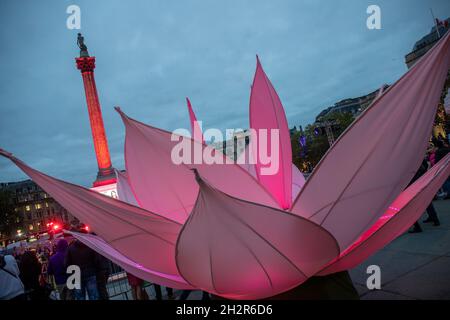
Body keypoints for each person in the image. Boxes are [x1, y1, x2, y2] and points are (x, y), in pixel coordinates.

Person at [408, 158, 440, 233]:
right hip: (421, 181)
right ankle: (434, 218)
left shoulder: (407, 160)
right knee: (426, 201)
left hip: (413, 184)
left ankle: (417, 226)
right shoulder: (418, 157)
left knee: (410, 206)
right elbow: (425, 165)